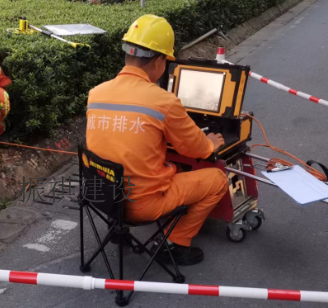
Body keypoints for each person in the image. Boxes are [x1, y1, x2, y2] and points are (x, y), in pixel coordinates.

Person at [85, 15, 228, 265]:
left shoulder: (96, 94)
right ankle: (175, 243)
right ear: (160, 61)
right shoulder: (163, 101)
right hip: (141, 207)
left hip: (103, 197)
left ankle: (118, 230)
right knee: (217, 179)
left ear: (128, 53)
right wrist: (211, 144)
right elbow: (195, 148)